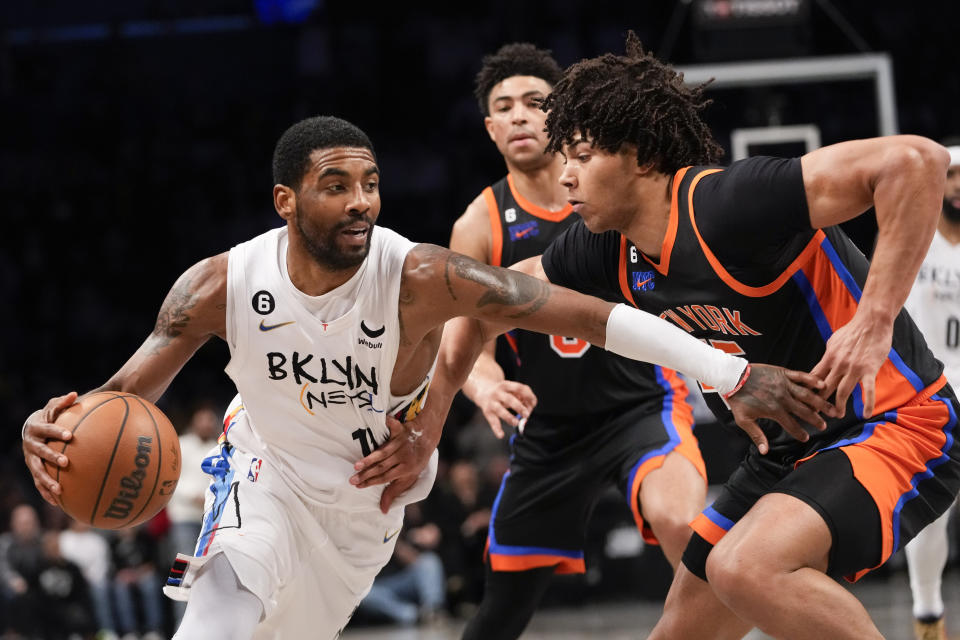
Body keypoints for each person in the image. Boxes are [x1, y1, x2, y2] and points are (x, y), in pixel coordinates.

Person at [21, 115, 825, 640]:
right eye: (336, 186)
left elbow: (584, 314)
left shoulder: (422, 276)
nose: (361, 202)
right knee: (219, 609)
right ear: (285, 201)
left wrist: (728, 370)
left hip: (367, 502)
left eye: (370, 183)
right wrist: (53, 432)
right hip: (263, 473)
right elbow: (122, 399)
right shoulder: (218, 286)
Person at [491, 33, 953, 640]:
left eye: (580, 156)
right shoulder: (607, 247)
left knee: (746, 568)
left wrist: (874, 319)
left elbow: (917, 162)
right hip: (787, 450)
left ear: (642, 157)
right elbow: (501, 292)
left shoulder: (730, 204)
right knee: (679, 631)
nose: (566, 176)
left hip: (895, 422)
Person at [451, 43, 709, 640]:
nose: (519, 116)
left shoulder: (616, 190)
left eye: (534, 103)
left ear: (561, 114)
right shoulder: (481, 223)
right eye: (504, 107)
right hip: (550, 430)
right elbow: (463, 344)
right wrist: (486, 388)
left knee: (682, 522)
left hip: (640, 404)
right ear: (490, 128)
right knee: (502, 612)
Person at [903, 143, 960, 640]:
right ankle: (927, 614)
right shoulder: (909, 237)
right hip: (930, 389)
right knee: (932, 511)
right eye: (954, 173)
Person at [164, 401, 221, 626]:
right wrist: (194, 495)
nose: (207, 423)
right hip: (184, 518)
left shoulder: (219, 446)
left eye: (211, 419)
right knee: (182, 575)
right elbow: (168, 479)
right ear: (194, 421)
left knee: (212, 577)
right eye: (203, 419)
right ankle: (182, 627)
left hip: (211, 520)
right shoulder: (180, 444)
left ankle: (209, 629)